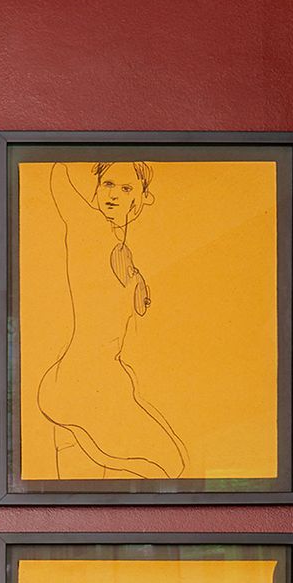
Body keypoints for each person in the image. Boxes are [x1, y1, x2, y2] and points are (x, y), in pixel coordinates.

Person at [34, 161, 188, 480]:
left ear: (141, 198)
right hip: (80, 381)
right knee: (169, 466)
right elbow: (59, 180)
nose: (114, 195)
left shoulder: (124, 250)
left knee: (157, 468)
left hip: (106, 381)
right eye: (107, 184)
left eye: (126, 188)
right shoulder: (87, 225)